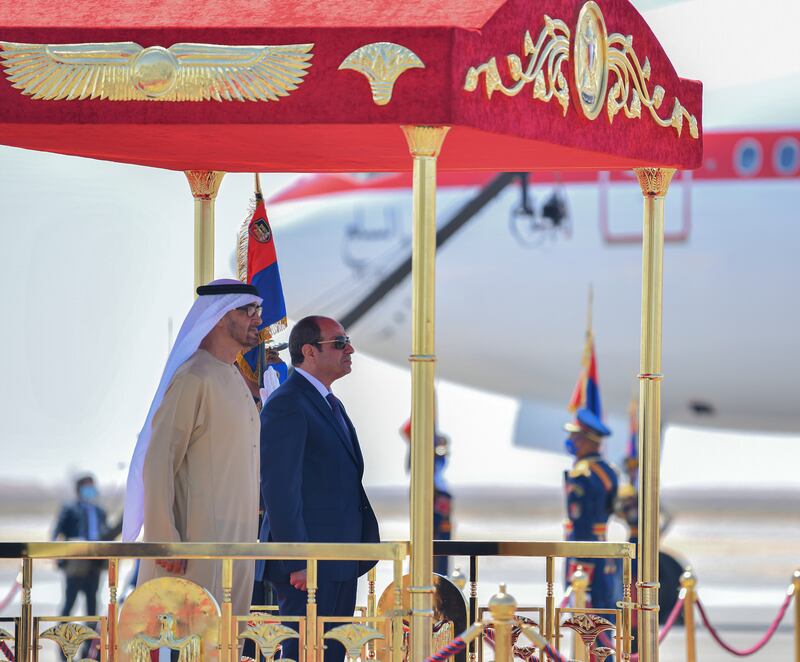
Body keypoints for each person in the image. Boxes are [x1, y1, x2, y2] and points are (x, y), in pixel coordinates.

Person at [122, 278, 264, 618]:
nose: (257, 319)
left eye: (258, 310)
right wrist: (164, 540)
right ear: (218, 316)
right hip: (192, 555)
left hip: (238, 550)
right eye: (248, 310)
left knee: (231, 644)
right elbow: (158, 461)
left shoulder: (234, 380)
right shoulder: (193, 378)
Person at [259, 316, 380, 662]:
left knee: (332, 655)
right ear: (309, 351)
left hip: (338, 561)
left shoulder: (330, 403)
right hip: (308, 569)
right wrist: (297, 560)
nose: (350, 349)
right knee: (306, 654)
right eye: (340, 343)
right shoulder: (289, 403)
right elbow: (279, 488)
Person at [563, 407, 619, 610]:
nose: (571, 441)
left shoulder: (582, 474)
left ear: (586, 441)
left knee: (584, 610)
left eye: (575, 436)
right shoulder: (608, 470)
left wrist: (576, 555)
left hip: (584, 549)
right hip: (601, 545)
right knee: (603, 606)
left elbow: (579, 519)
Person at [52, 475, 108, 619]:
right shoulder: (70, 508)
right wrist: (56, 555)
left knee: (92, 603)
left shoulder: (99, 510)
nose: (90, 489)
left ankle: (90, 640)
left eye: (92, 486)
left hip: (94, 562)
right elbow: (57, 531)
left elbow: (106, 532)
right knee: (70, 602)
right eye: (87, 486)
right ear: (79, 489)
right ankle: (60, 636)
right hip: (75, 563)